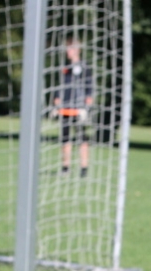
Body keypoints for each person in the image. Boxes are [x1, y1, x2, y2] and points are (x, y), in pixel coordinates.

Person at [54, 38, 93, 177]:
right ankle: (65, 168)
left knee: (82, 137)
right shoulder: (65, 68)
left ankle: (84, 169)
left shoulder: (84, 67)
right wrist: (56, 101)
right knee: (65, 138)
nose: (67, 52)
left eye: (70, 49)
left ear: (77, 50)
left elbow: (89, 88)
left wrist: (87, 107)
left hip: (79, 109)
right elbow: (60, 87)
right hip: (66, 108)